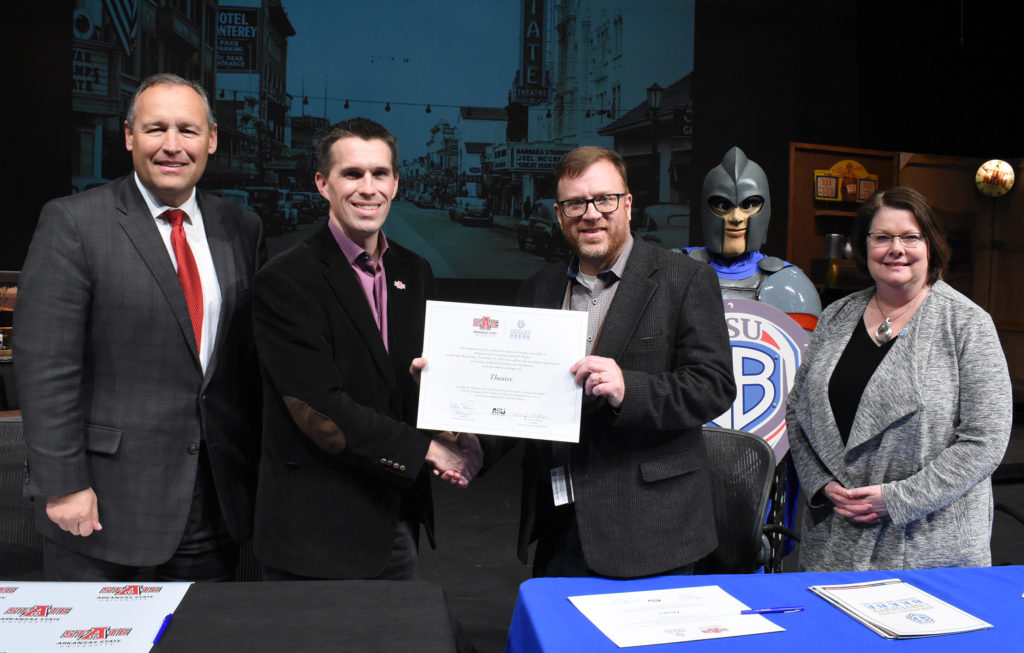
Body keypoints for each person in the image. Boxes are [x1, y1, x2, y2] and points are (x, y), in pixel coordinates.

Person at [16, 73, 265, 581]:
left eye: (188, 131)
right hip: (101, 506)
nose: (172, 145)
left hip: (212, 504)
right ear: (129, 136)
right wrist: (64, 484)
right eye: (155, 129)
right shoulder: (73, 222)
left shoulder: (241, 228)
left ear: (212, 139)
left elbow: (246, 362)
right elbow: (46, 367)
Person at [251, 118, 481, 581]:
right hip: (318, 530)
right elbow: (318, 408)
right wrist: (429, 452)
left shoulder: (414, 271)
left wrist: (462, 435)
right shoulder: (285, 279)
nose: (367, 188)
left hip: (396, 514)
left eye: (380, 174)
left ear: (396, 183)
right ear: (323, 183)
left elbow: (422, 381)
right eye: (352, 174)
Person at [506, 146, 735, 578]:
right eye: (576, 203)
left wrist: (629, 389)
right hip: (560, 522)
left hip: (653, 526)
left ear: (627, 204)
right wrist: (468, 435)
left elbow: (713, 385)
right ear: (559, 213)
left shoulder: (684, 279)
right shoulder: (538, 288)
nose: (590, 214)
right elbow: (522, 395)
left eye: (604, 199)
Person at [787, 186, 1012, 571]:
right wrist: (821, 485)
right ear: (864, 246)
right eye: (882, 237)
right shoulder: (836, 316)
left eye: (910, 236)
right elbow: (798, 411)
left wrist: (898, 498)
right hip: (834, 539)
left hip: (928, 544)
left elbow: (985, 439)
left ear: (931, 245)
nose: (896, 248)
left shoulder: (967, 323)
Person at [687, 146, 821, 330]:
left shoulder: (791, 285)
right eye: (722, 205)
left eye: (749, 205)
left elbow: (801, 354)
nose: (736, 218)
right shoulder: (674, 269)